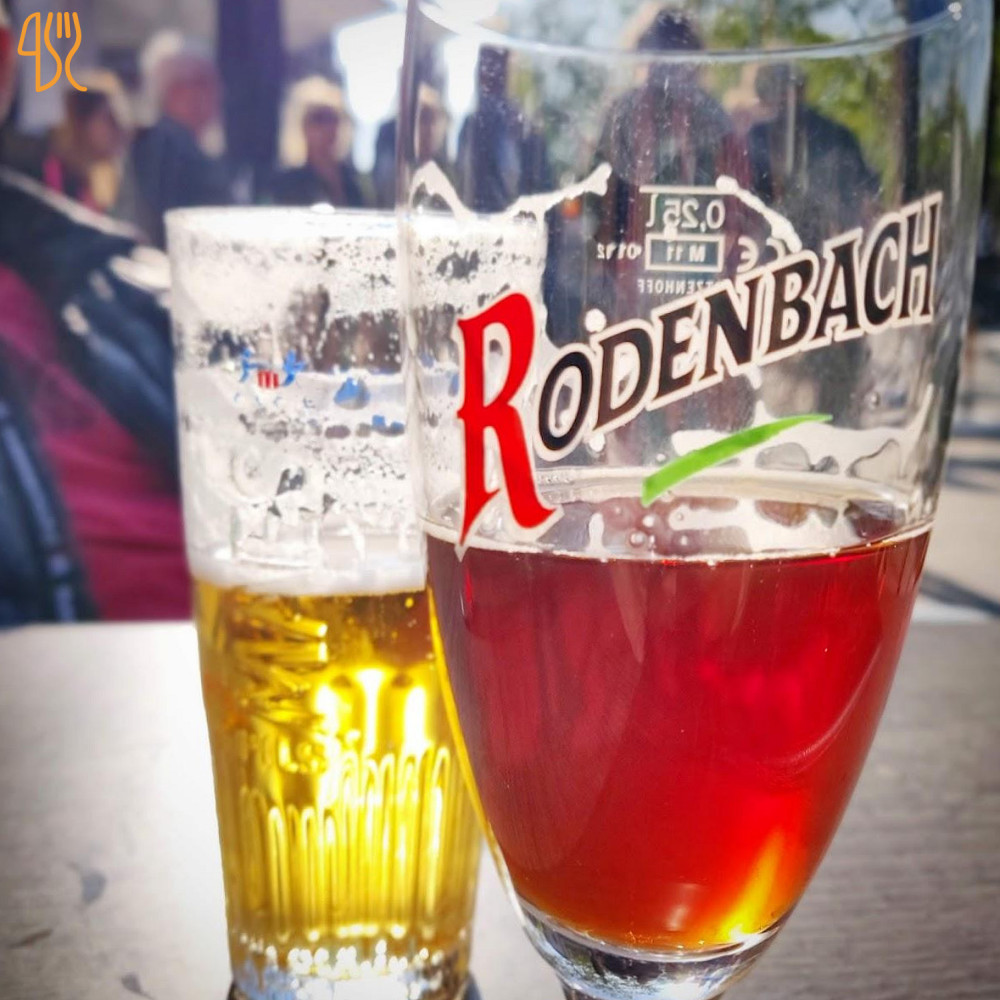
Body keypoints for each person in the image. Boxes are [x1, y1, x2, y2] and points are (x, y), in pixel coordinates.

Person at [0, 0, 189, 625]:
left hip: (232, 646)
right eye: (109, 118)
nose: (122, 130)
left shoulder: (103, 271)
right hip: (72, 672)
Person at [117, 33, 230, 247]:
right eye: (201, 82)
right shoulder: (163, 146)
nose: (215, 91)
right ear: (171, 89)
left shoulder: (184, 145)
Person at [8, 70, 129, 212]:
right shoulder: (33, 177)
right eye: (110, 118)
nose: (122, 130)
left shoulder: (101, 190)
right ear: (80, 122)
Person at [455, 46, 551, 212]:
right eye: (487, 64)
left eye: (499, 64)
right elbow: (462, 186)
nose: (492, 73)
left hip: (523, 224)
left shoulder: (529, 132)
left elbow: (545, 196)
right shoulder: (471, 127)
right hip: (479, 223)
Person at [269, 77, 368, 208]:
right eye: (319, 118)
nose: (328, 127)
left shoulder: (353, 181)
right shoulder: (288, 183)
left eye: (333, 118)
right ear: (303, 126)